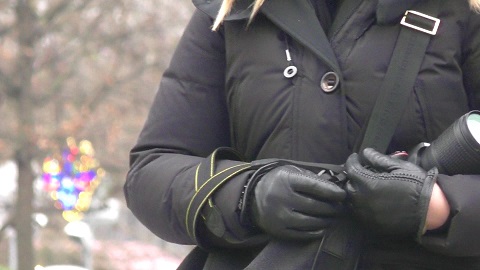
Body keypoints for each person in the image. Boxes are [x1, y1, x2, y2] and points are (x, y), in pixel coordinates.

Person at [124, 0, 480, 269]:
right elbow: (152, 171)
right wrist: (248, 194)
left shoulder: (466, 13)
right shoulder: (232, 10)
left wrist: (442, 208)